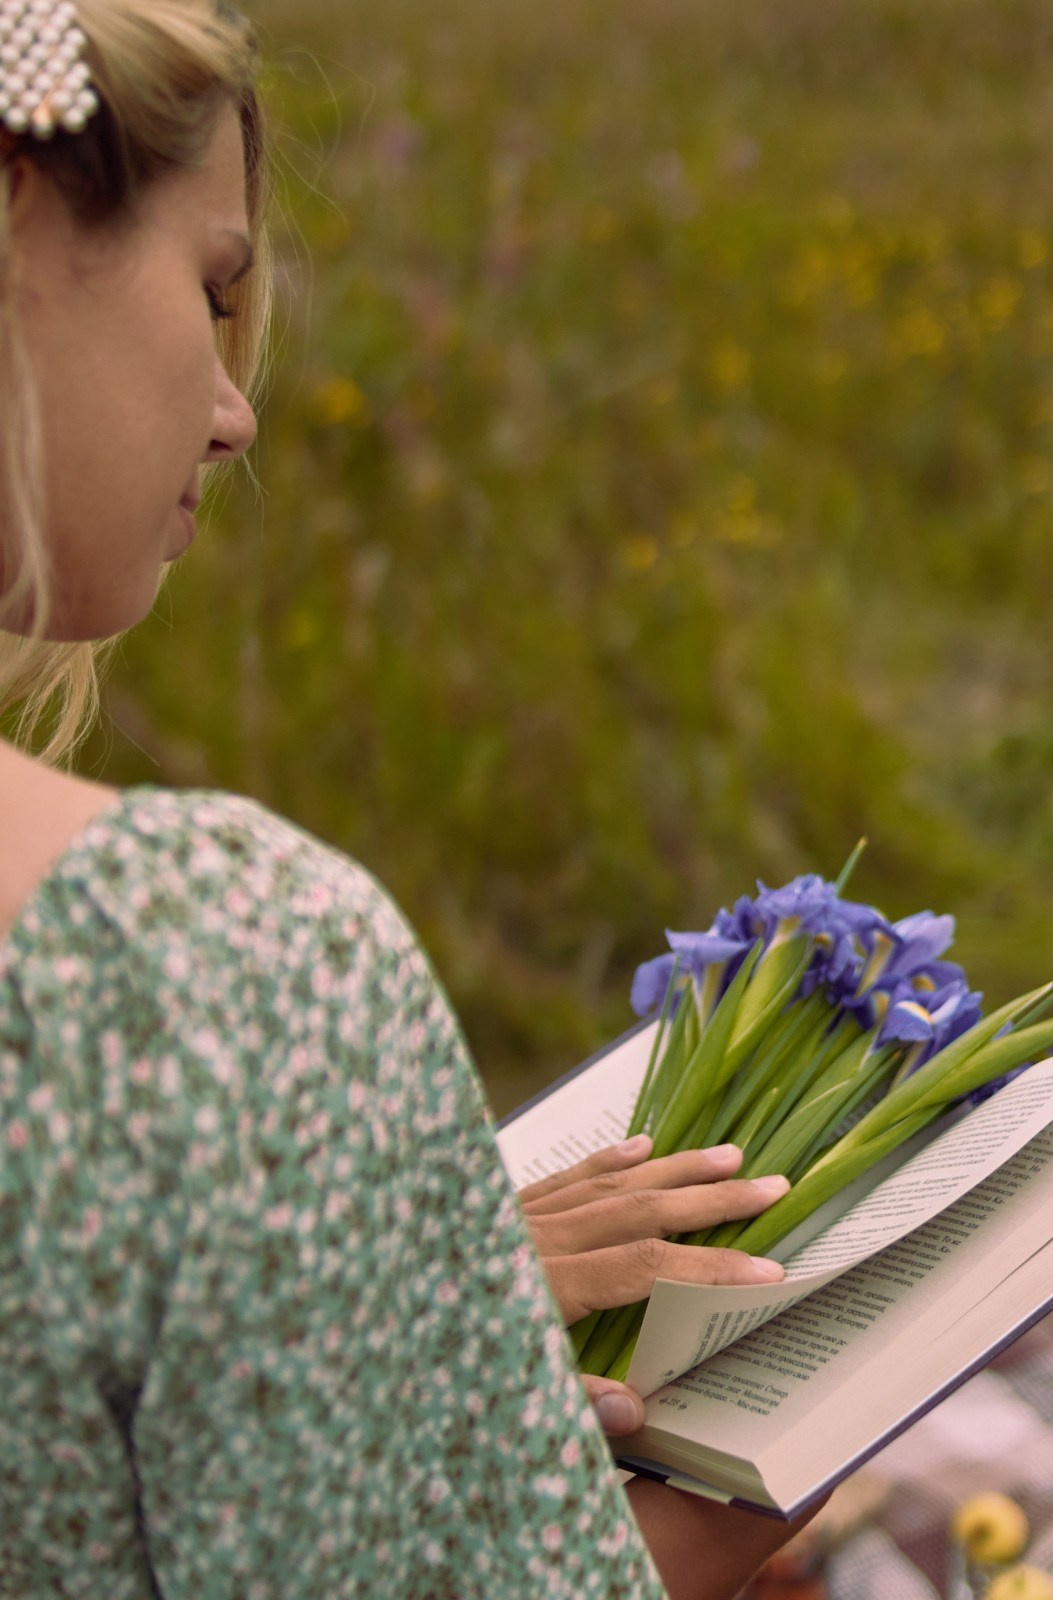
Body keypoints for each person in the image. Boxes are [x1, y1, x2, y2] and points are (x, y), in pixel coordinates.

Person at [0, 2, 812, 1593]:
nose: (235, 413)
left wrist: (338, 1307)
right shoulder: (201, 974)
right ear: (19, 221)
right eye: (213, 285)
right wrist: (682, 1538)